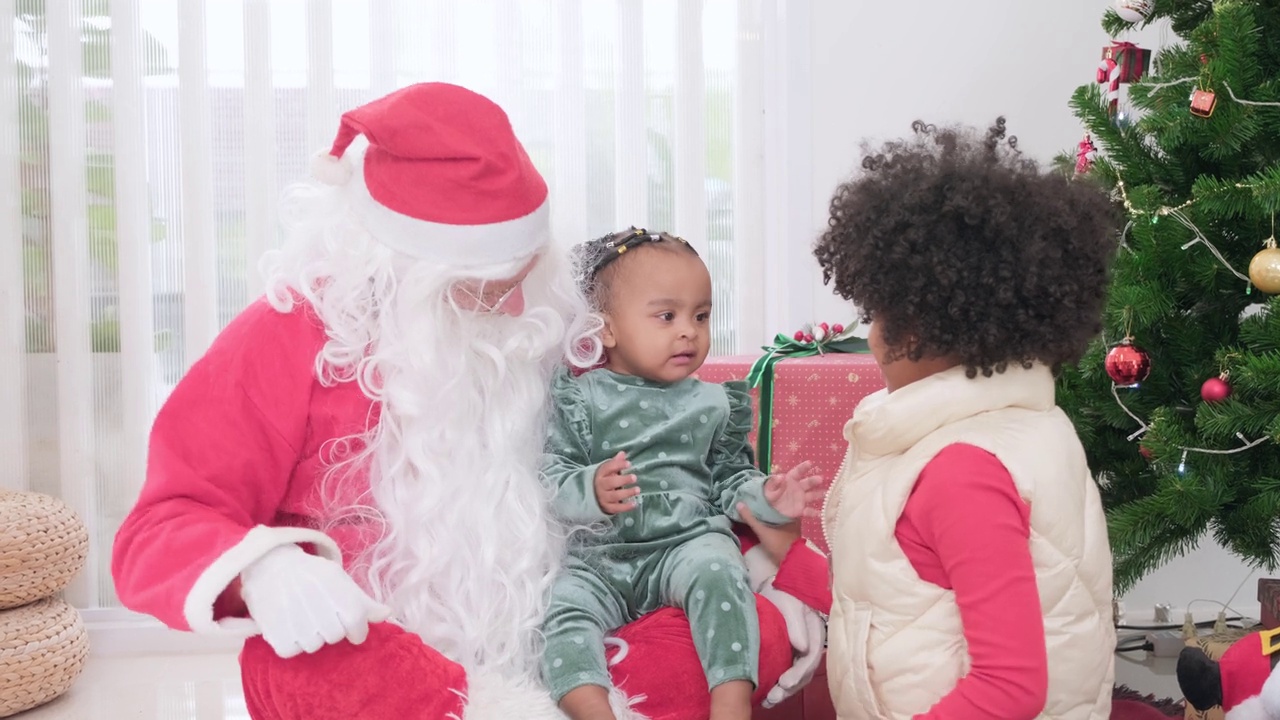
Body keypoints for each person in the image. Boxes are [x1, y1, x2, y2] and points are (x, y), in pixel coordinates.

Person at [111, 82, 828, 720]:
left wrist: (763, 570)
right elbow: (160, 527)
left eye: (527, 271)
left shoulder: (554, 321)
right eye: (482, 286)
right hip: (395, 669)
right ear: (397, 265)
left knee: (750, 631)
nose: (514, 303)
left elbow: (671, 469)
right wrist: (262, 567)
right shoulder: (288, 335)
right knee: (307, 667)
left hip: (566, 644)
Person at [814, 118, 1119, 719]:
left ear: (926, 325)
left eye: (877, 313)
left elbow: (1010, 686)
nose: (870, 337)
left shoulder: (962, 473)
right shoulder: (1026, 426)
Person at [540, 229, 825, 720]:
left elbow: (729, 479)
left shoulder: (713, 402)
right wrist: (591, 488)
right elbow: (551, 476)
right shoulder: (581, 399)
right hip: (600, 555)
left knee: (720, 574)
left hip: (684, 543)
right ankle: (591, 707)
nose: (689, 331)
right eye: (666, 316)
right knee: (561, 609)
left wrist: (767, 496)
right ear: (605, 330)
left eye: (701, 315)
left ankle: (730, 701)